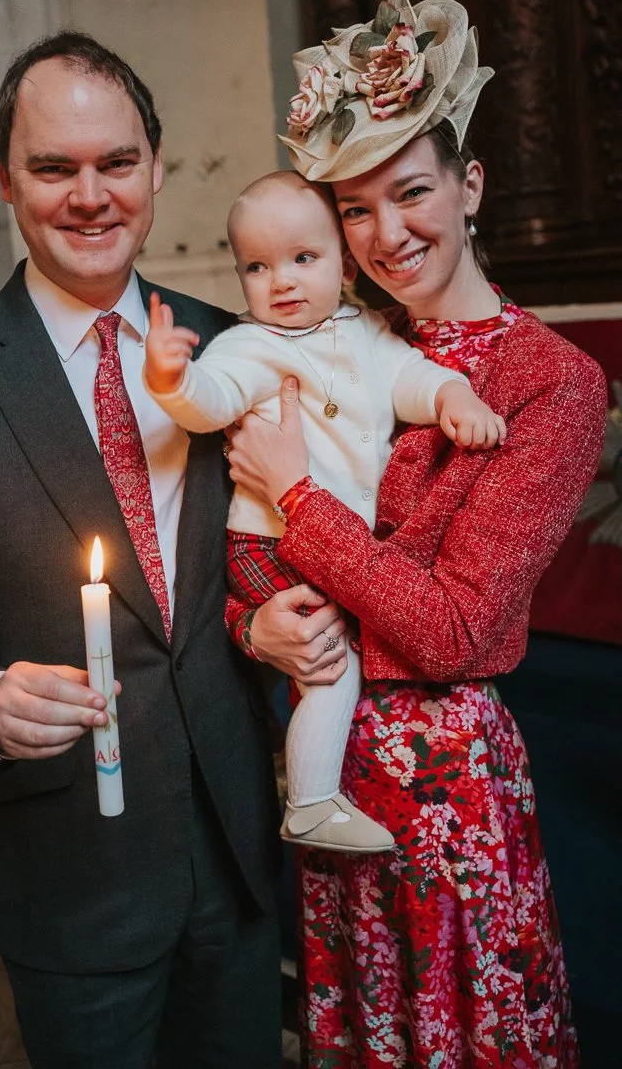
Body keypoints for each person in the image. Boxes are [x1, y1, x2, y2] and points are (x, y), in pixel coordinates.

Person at [0, 31, 323, 1069]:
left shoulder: (235, 349)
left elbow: (261, 565)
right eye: (52, 168)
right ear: (7, 182)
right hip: (73, 866)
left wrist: (285, 617)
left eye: (115, 163)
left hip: (236, 846)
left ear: (155, 169)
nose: (89, 195)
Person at [225, 0, 605, 1067]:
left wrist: (299, 498)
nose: (384, 234)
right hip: (323, 771)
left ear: (469, 183)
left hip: (445, 786)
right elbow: (235, 560)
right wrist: (258, 627)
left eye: (410, 194)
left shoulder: (549, 382)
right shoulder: (317, 342)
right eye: (353, 209)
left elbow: (458, 631)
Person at [144, 169, 506, 857]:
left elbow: (409, 377)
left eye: (302, 259)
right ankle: (310, 803)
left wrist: (453, 396)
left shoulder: (363, 329)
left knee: (334, 664)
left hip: (319, 537)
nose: (280, 281)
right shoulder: (253, 345)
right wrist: (173, 381)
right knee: (332, 667)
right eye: (257, 265)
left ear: (342, 261)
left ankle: (311, 790)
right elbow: (214, 399)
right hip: (270, 542)